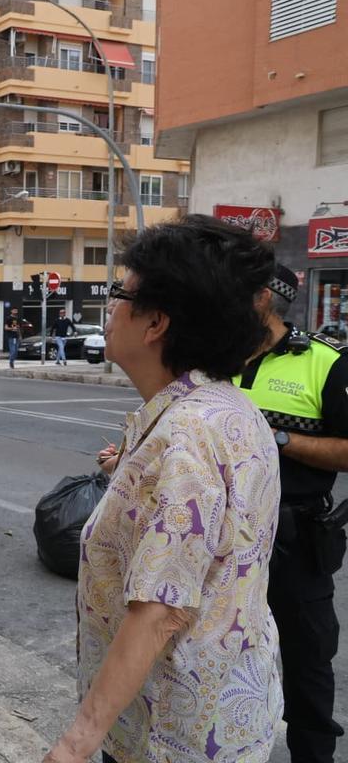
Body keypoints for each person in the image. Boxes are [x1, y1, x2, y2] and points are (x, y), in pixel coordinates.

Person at [46, 216, 282, 763]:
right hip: (228, 708)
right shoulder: (228, 408)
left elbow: (160, 611)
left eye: (118, 294)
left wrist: (75, 744)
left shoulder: (186, 434)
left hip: (171, 732)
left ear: (155, 322)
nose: (108, 309)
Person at [234, 263, 348, 763]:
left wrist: (277, 437)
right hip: (225, 533)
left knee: (306, 657)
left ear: (263, 297)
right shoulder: (215, 355)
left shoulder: (325, 362)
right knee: (214, 649)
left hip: (294, 536)